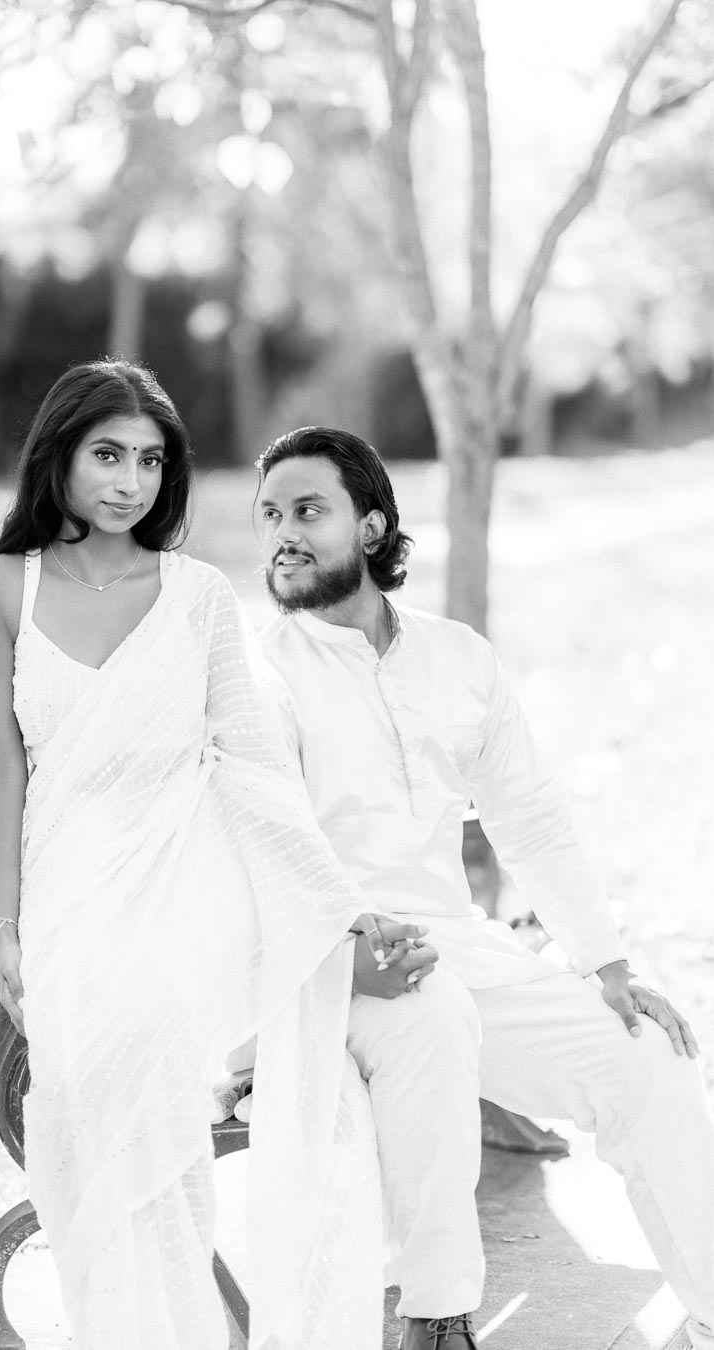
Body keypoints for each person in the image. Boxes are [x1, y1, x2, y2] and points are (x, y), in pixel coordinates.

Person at [0, 361, 436, 1350]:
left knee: (146, 1042)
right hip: (65, 893)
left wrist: (339, 907)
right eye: (108, 455)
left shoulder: (197, 595)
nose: (129, 482)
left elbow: (254, 769)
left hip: (183, 887)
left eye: (150, 460)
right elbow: (1, 767)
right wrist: (3, 929)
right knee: (91, 1096)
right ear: (60, 453)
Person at [253, 426, 714, 1350]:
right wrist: (345, 951)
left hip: (453, 946)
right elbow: (259, 853)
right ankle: (438, 1318)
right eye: (269, 515)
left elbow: (531, 818)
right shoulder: (262, 674)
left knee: (647, 1058)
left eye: (307, 511)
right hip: (324, 964)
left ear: (371, 527)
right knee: (433, 1014)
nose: (282, 536)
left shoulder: (457, 658)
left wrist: (608, 963)